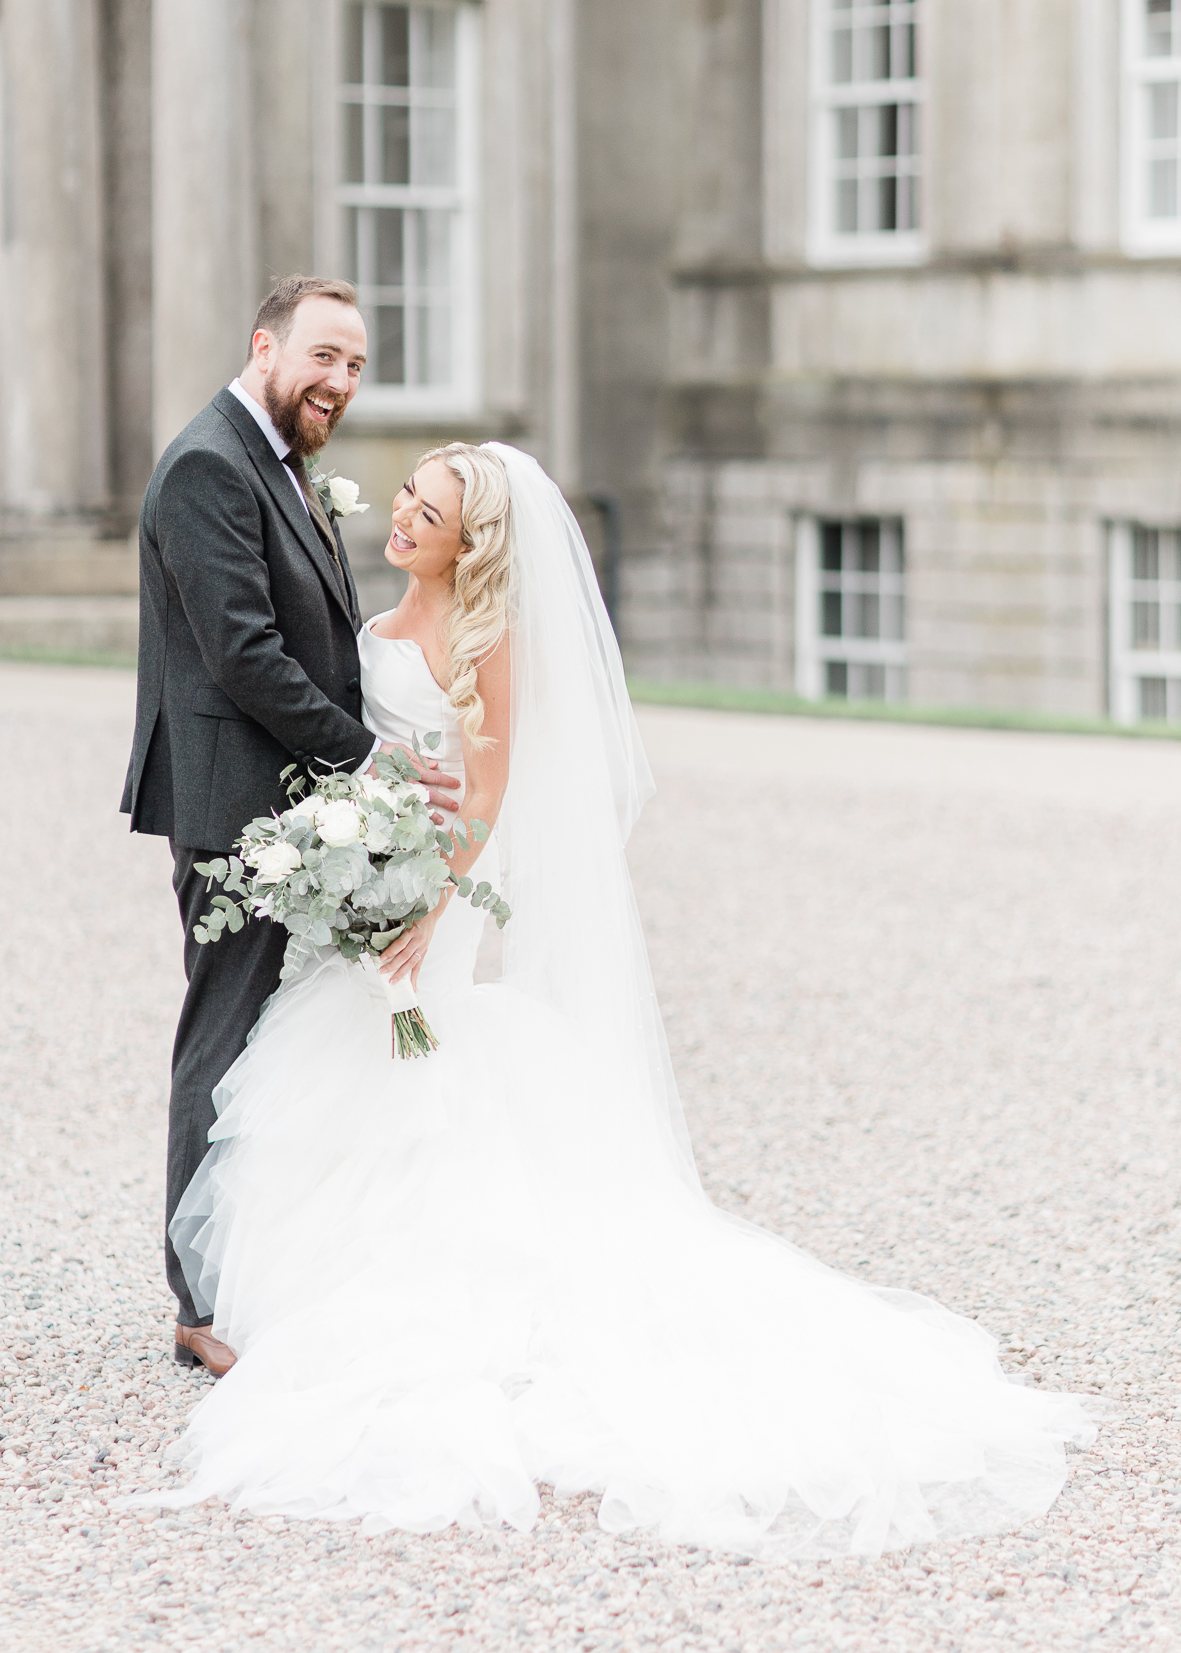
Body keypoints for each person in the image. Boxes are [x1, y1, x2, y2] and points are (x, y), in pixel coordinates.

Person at [153, 441, 1095, 1556]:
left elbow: (490, 792)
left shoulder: (483, 635)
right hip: (362, 872)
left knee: (407, 1070)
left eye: (432, 509)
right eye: (407, 492)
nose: (405, 514)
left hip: (428, 897)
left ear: (473, 541)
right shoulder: (375, 610)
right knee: (321, 1062)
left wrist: (422, 904)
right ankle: (291, 1296)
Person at [121, 275, 458, 1377]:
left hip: (286, 805)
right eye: (323, 356)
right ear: (264, 343)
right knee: (220, 1040)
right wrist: (371, 760)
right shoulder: (210, 466)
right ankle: (199, 1298)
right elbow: (245, 653)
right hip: (233, 808)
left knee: (271, 1042)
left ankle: (266, 1262)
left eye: (355, 365)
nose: (339, 381)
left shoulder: (275, 458)